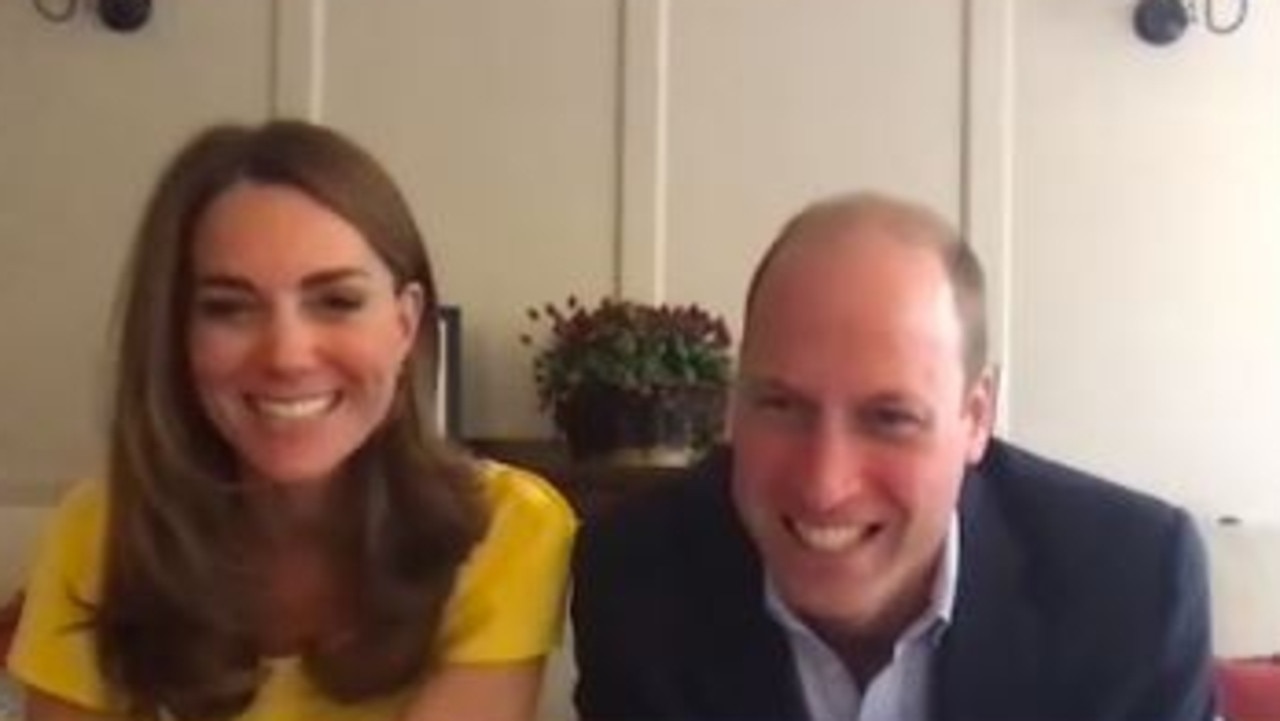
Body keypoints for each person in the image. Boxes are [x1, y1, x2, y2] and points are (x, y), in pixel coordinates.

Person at [6, 120, 576, 721]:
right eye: (229, 308)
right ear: (175, 333)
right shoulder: (101, 530)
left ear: (405, 325)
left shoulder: (508, 527)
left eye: (336, 301)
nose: (285, 355)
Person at [571, 192, 1215, 721]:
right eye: (782, 407)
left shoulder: (1130, 587)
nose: (824, 485)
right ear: (736, 399)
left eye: (890, 419)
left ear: (975, 416)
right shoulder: (639, 579)